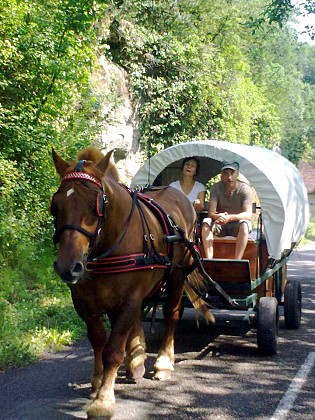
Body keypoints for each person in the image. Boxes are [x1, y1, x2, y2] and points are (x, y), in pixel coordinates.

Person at [201, 161, 252, 259]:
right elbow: (211, 212)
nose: (229, 177)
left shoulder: (245, 188)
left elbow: (248, 214)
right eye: (226, 173)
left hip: (238, 224)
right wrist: (218, 216)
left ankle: (237, 261)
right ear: (221, 175)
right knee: (205, 223)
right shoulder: (216, 187)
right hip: (220, 223)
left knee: (245, 225)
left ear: (237, 174)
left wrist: (230, 217)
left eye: (232, 173)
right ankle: (209, 260)